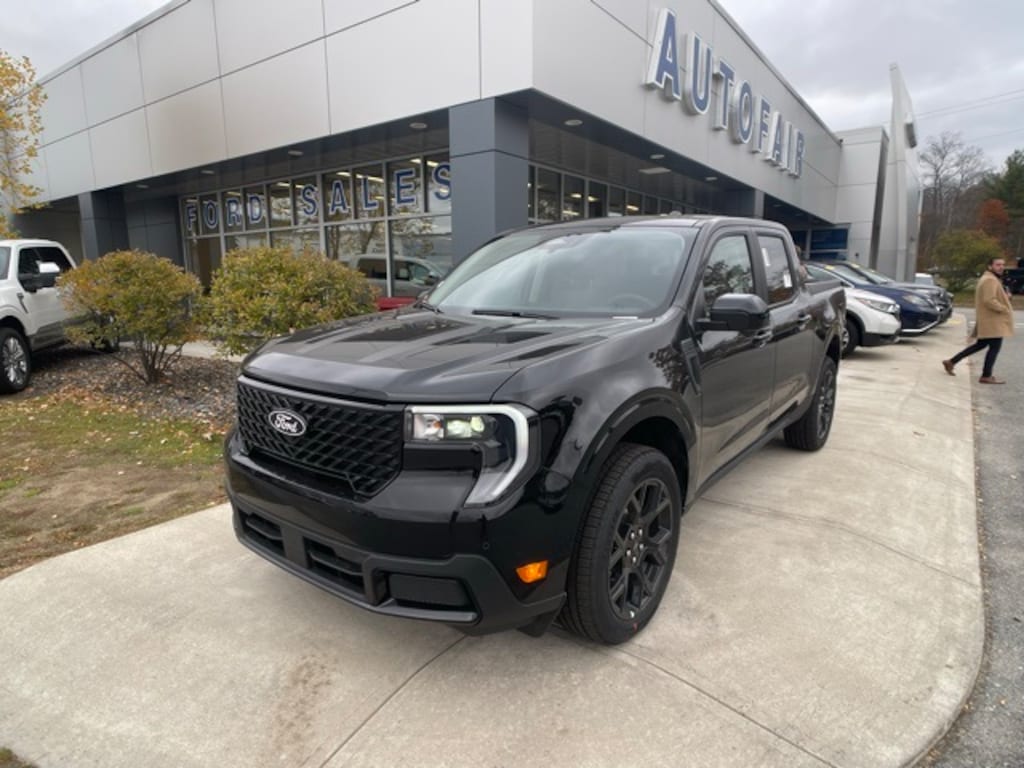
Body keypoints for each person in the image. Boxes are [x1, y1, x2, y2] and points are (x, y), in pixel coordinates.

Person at [942, 257, 1015, 383]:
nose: (1001, 267)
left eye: (1003, 264)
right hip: (993, 320)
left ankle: (951, 361)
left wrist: (1005, 298)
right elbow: (989, 300)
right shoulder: (990, 280)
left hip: (990, 320)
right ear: (990, 266)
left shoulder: (991, 278)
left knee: (981, 344)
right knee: (994, 347)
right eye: (998, 265)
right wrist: (1004, 309)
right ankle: (986, 375)